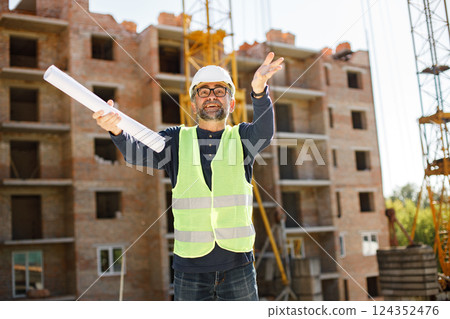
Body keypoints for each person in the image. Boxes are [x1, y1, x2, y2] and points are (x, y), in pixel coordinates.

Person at [93, 52, 284, 301]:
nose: (212, 97)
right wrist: (115, 129)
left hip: (239, 266)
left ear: (232, 103)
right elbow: (137, 154)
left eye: (219, 91)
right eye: (204, 92)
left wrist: (259, 91)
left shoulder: (243, 138)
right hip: (190, 269)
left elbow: (265, 131)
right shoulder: (176, 139)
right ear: (194, 103)